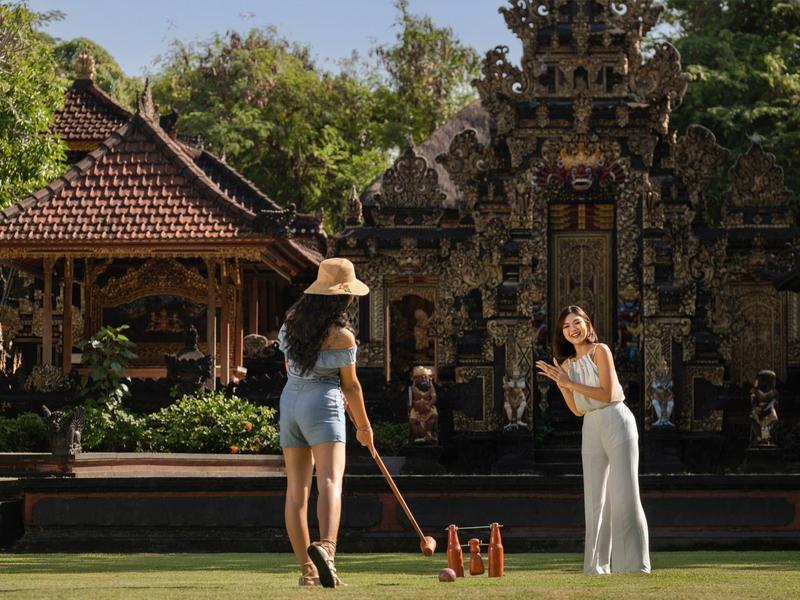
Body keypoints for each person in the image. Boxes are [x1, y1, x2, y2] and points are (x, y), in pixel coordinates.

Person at [277, 257, 375, 588]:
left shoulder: (289, 326)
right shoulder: (342, 336)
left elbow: (290, 367)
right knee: (330, 481)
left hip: (291, 402)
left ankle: (308, 571)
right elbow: (350, 385)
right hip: (323, 403)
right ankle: (328, 550)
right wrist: (364, 427)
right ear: (344, 297)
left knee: (296, 491)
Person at [536, 305, 650, 575]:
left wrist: (570, 382)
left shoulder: (601, 350)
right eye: (566, 327)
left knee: (625, 495)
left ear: (587, 325)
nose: (572, 329)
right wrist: (562, 384)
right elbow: (577, 409)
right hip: (591, 425)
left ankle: (634, 566)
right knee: (595, 500)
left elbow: (608, 394)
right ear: (562, 334)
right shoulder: (566, 366)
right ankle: (596, 567)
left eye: (577, 323)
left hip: (616, 419)